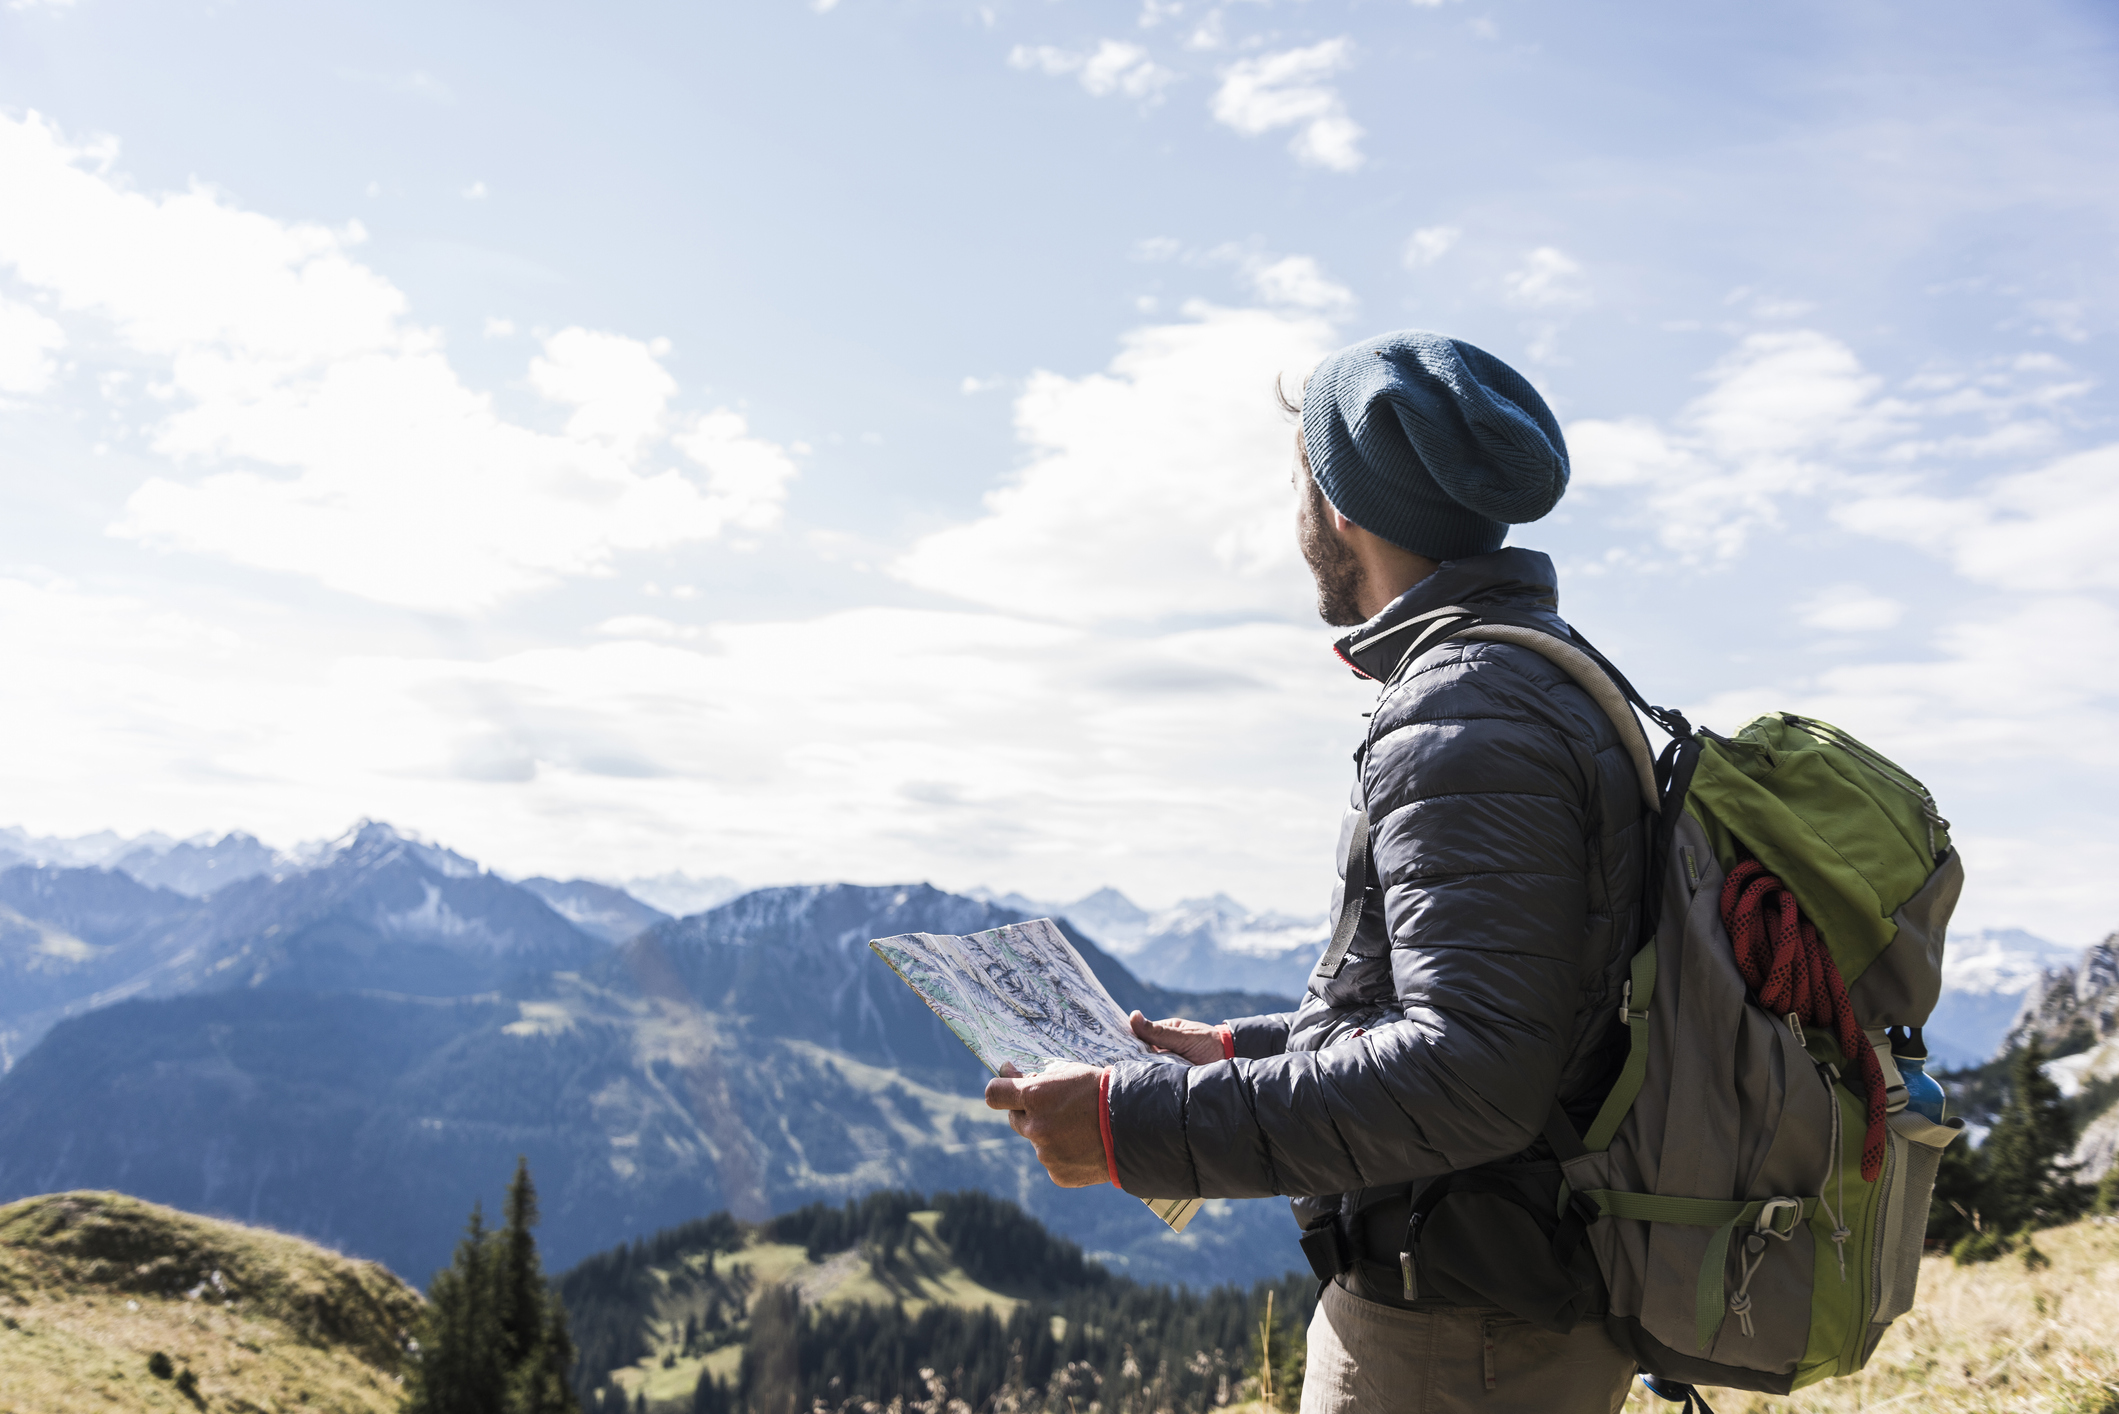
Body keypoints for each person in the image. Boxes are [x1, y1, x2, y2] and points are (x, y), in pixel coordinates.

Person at [984, 330, 1647, 1413]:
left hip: (1458, 1331)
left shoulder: (1468, 706)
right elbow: (1526, 1012)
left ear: (1342, 507)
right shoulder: (1528, 675)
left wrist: (1128, 1126)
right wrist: (1244, 1052)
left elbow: (1473, 1071)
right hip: (1495, 1301)